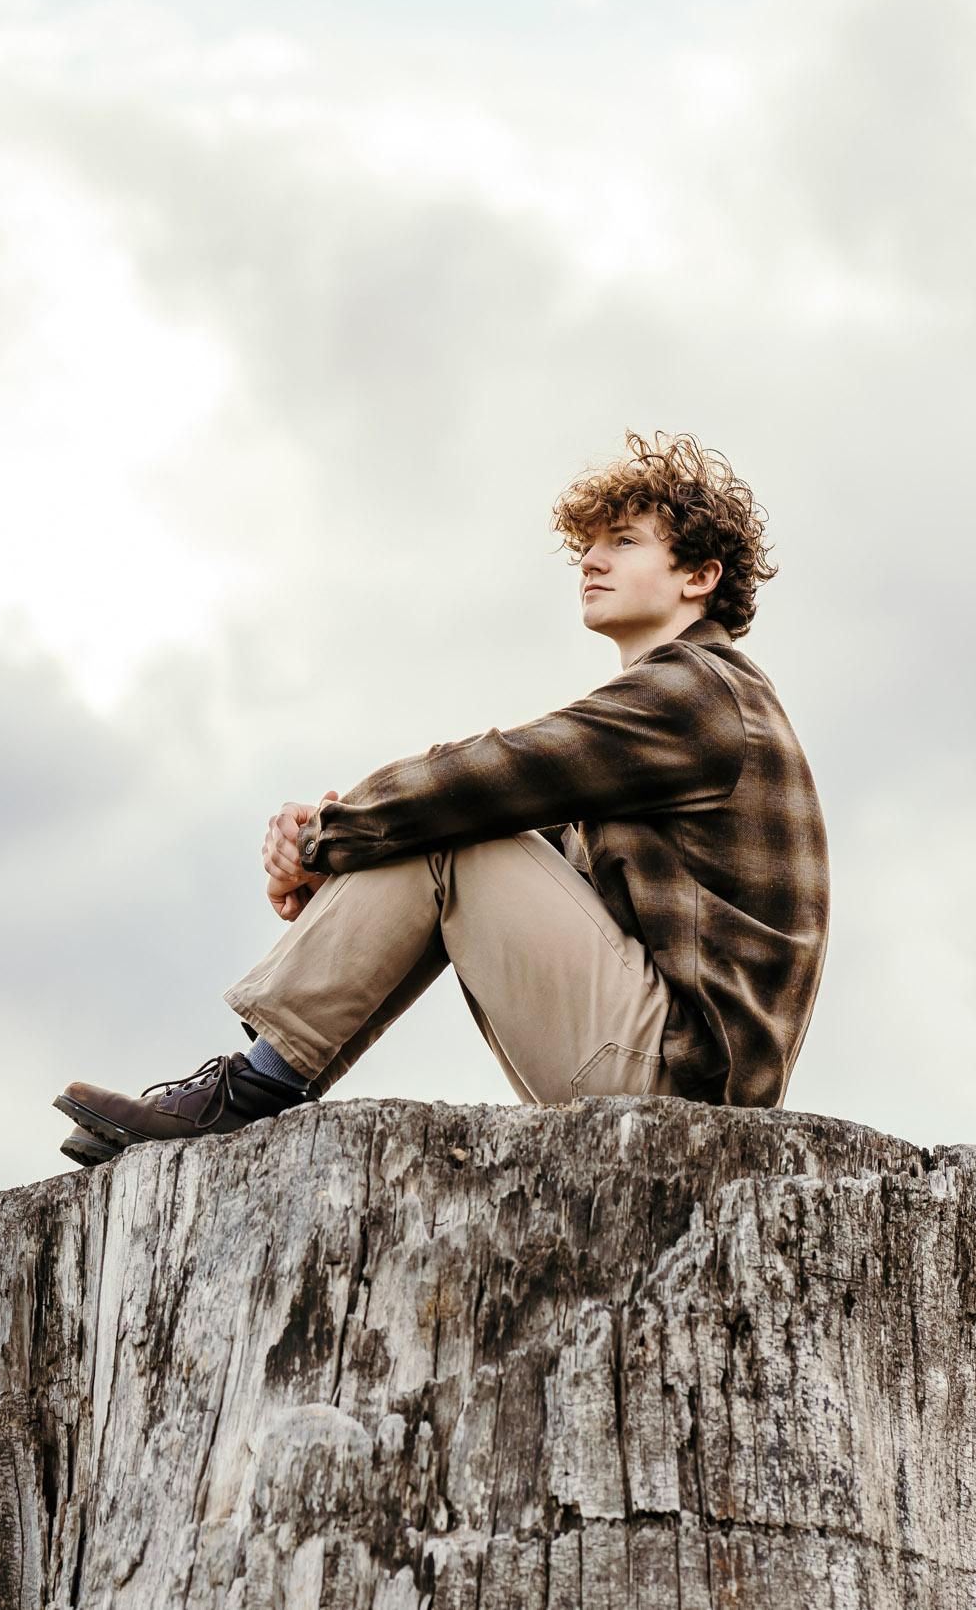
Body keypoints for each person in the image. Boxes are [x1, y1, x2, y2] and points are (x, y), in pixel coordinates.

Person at [54, 432, 828, 1165]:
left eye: (624, 540)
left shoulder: (698, 693)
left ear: (699, 577)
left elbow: (491, 779)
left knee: (459, 825)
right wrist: (334, 862)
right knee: (444, 827)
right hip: (663, 1073)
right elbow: (529, 862)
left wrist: (324, 836)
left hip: (678, 1090)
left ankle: (252, 1090)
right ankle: (255, 1084)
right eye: (587, 544)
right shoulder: (680, 714)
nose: (591, 559)